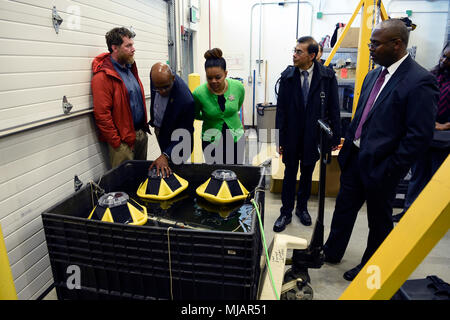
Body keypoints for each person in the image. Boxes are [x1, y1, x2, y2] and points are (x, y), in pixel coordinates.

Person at [323, 19, 439, 281]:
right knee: (343, 209)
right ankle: (331, 252)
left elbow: (419, 136)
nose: (370, 48)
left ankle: (370, 266)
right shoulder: (374, 74)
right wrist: (347, 149)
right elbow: (360, 116)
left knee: (379, 221)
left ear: (396, 44)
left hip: (383, 166)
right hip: (355, 159)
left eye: (375, 44)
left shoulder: (420, 81)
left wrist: (392, 169)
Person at [273, 36, 341, 232]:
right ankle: (285, 211)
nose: (294, 55)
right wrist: (280, 138)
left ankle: (301, 209)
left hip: (313, 135)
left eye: (299, 52)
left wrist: (335, 136)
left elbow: (334, 108)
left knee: (308, 172)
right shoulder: (287, 77)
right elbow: (281, 111)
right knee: (289, 173)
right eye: (294, 51)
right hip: (292, 135)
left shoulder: (327, 77)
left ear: (312, 55)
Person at [393, 42, 450, 222]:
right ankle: (409, 213)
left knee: (436, 181)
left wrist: (446, 125)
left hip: (444, 141)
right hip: (425, 136)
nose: (444, 60)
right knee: (417, 176)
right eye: (444, 56)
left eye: (449, 59)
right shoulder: (433, 75)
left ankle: (429, 218)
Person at [91, 27, 149, 168]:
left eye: (132, 45)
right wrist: (117, 143)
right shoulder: (103, 76)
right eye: (128, 46)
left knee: (141, 180)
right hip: (123, 143)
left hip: (140, 135)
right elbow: (102, 114)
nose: (133, 49)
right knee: (124, 185)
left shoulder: (130, 68)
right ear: (115, 48)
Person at [193, 48, 245, 165]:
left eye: (218, 77)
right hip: (211, 140)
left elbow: (237, 106)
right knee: (215, 175)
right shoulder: (198, 93)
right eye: (209, 78)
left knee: (236, 172)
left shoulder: (238, 87)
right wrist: (208, 116)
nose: (214, 81)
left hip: (236, 138)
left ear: (226, 74)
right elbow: (196, 114)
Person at [148, 62, 195, 178]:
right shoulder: (155, 78)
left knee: (176, 173)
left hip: (180, 140)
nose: (162, 91)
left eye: (166, 87)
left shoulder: (186, 100)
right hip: (162, 130)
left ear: (173, 78)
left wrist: (166, 155)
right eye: (157, 88)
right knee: (164, 166)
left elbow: (184, 135)